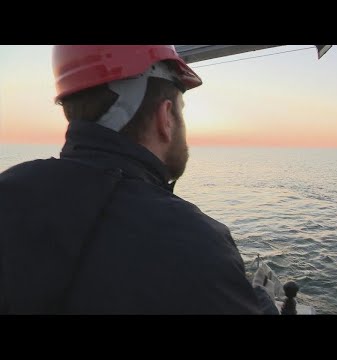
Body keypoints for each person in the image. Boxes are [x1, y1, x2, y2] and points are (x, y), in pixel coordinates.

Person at [0, 45, 279, 314]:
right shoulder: (196, 244)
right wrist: (262, 302)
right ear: (165, 117)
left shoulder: (8, 192)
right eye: (181, 110)